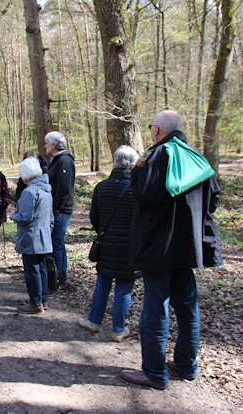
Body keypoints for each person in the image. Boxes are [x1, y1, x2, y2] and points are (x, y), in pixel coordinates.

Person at [120, 110, 222, 390]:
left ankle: (154, 372)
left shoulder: (155, 156)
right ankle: (187, 366)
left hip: (159, 247)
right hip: (189, 248)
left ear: (156, 130)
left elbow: (144, 195)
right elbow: (212, 199)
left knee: (156, 307)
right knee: (188, 307)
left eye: (152, 126)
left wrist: (137, 170)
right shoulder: (195, 156)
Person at [78, 145, 140, 342]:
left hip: (105, 244)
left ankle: (94, 321)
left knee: (102, 283)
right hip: (130, 247)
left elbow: (94, 217)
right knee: (123, 287)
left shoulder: (101, 187)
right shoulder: (138, 189)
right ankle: (118, 330)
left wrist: (103, 232)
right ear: (132, 165)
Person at [11, 157, 53, 314]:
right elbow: (50, 217)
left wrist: (13, 215)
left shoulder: (30, 191)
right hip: (44, 234)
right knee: (41, 267)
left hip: (31, 236)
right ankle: (42, 299)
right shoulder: (46, 189)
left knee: (32, 269)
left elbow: (26, 217)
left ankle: (36, 303)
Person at [45, 131, 75, 289]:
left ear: (54, 145)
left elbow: (64, 187)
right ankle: (54, 275)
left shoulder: (64, 160)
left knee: (57, 242)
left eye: (47, 144)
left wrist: (56, 207)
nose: (45, 146)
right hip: (56, 209)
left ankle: (61, 277)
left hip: (60, 210)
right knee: (55, 241)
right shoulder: (57, 160)